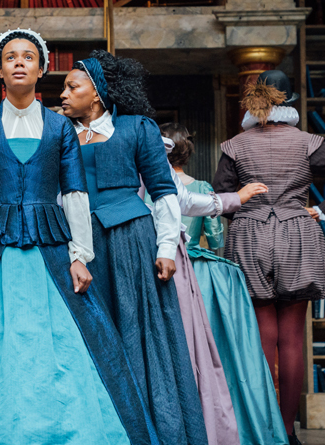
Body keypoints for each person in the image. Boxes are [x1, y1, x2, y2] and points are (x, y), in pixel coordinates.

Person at [0, 29, 158, 445]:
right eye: (10, 57)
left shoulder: (61, 128)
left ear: (42, 70)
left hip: (51, 248)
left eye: (28, 57)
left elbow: (75, 194)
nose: (19, 62)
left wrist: (80, 255)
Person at [213, 70, 325, 445]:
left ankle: (263, 429)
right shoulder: (308, 142)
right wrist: (324, 208)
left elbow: (221, 195)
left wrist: (248, 217)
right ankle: (287, 431)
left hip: (250, 237)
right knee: (292, 338)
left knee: (263, 335)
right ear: (289, 104)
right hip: (298, 234)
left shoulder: (235, 145)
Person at [61, 49, 206, 444]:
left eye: (72, 86)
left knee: (138, 333)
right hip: (77, 243)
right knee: (89, 331)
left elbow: (163, 192)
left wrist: (165, 248)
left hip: (129, 241)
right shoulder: (58, 133)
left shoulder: (136, 128)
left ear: (97, 93)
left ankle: (145, 428)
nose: (63, 93)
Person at [161, 123, 287, 445]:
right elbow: (216, 238)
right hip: (195, 271)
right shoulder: (201, 186)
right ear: (188, 153)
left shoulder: (149, 183)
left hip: (160, 267)